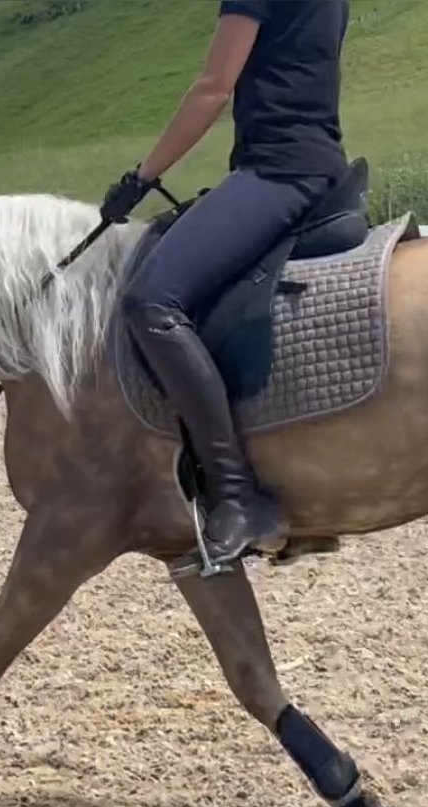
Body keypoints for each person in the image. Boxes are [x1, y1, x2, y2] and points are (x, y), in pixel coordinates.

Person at [100, 0, 351, 571]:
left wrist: (141, 179)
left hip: (278, 170)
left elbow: (214, 88)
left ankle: (239, 495)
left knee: (151, 300)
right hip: (318, 161)